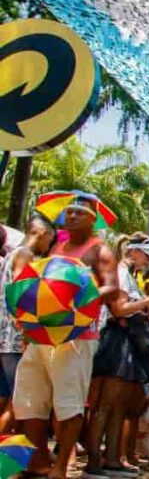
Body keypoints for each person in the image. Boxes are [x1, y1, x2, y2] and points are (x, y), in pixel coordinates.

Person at [12, 194, 121, 479]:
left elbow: (113, 289)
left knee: (68, 402)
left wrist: (81, 297)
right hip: (42, 335)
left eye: (79, 213)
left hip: (77, 336)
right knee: (28, 400)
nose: (72, 216)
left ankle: (61, 467)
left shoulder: (101, 251)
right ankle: (37, 461)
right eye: (69, 212)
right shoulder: (57, 246)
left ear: (92, 218)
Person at [0, 215, 56, 435]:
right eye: (49, 239)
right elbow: (21, 292)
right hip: (15, 339)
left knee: (9, 399)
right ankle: (13, 459)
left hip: (5, 338)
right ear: (42, 233)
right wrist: (27, 331)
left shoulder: (12, 254)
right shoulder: (25, 255)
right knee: (22, 402)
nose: (49, 246)